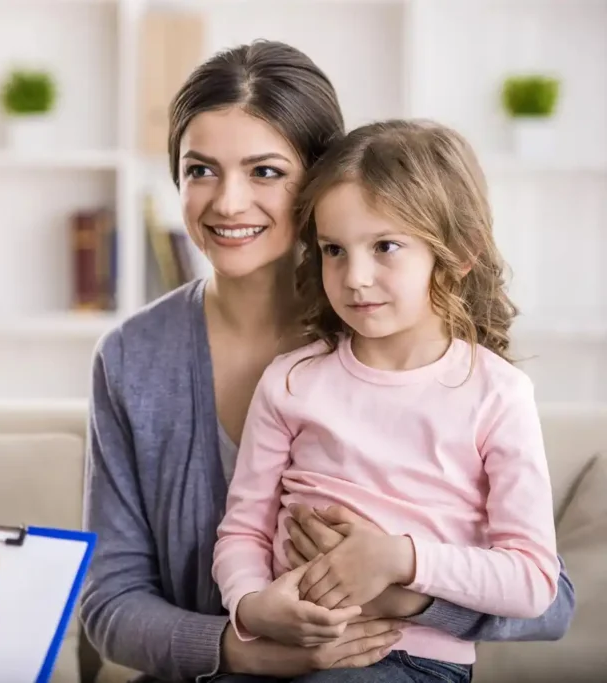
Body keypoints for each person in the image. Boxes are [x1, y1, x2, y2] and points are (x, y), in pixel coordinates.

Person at [80, 40, 575, 683]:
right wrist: (240, 644)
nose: (228, 203)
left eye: (264, 171)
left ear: (319, 183)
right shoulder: (134, 358)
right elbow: (109, 602)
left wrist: (402, 588)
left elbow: (548, 600)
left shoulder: (416, 352)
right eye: (200, 169)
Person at [211, 119, 560, 683]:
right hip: (279, 654)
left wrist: (400, 559)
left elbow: (533, 581)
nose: (356, 277)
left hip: (409, 660)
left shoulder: (497, 394)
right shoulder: (291, 381)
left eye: (386, 246)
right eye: (334, 250)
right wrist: (251, 607)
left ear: (460, 253)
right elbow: (243, 530)